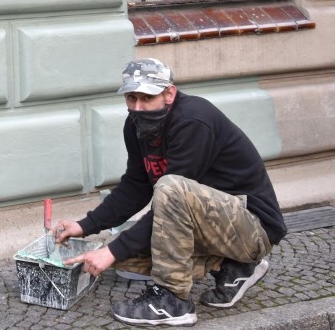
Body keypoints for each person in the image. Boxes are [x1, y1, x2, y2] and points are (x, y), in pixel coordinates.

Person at [54, 58, 286, 327]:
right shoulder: (136, 125)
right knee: (123, 259)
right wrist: (85, 226)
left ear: (169, 93)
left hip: (253, 228)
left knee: (169, 188)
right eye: (132, 98)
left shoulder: (194, 120)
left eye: (147, 98)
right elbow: (136, 185)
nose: (138, 108)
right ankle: (233, 268)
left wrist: (112, 251)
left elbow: (173, 199)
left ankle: (173, 301)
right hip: (211, 225)